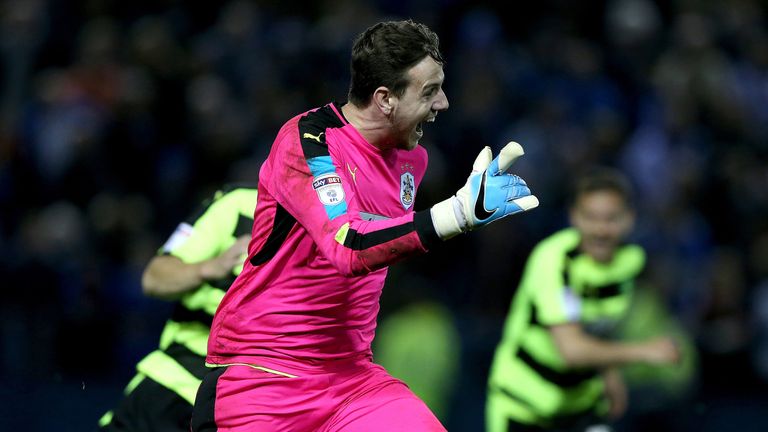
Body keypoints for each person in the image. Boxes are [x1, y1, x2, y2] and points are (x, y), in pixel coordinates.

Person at [190, 19, 539, 432]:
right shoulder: (310, 142)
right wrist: (457, 214)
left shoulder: (414, 160)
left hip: (351, 381)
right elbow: (349, 244)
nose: (443, 103)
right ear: (385, 99)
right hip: (263, 377)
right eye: (429, 91)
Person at [485, 167, 682, 432]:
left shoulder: (630, 262)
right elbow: (571, 350)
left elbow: (601, 325)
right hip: (524, 407)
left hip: (583, 406)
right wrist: (645, 351)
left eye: (611, 218)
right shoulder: (554, 260)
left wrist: (609, 374)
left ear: (629, 219)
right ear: (574, 217)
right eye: (590, 217)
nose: (601, 230)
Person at [98, 185, 257, 431]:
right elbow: (155, 277)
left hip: (250, 406)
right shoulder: (238, 206)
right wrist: (210, 267)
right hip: (176, 382)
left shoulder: (334, 236)